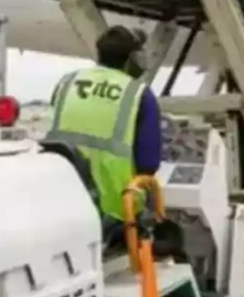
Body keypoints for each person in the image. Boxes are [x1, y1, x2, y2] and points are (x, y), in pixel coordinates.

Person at [44, 25, 163, 225]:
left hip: (63, 201)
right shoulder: (138, 94)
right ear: (133, 59)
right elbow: (149, 164)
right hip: (115, 210)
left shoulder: (66, 82)